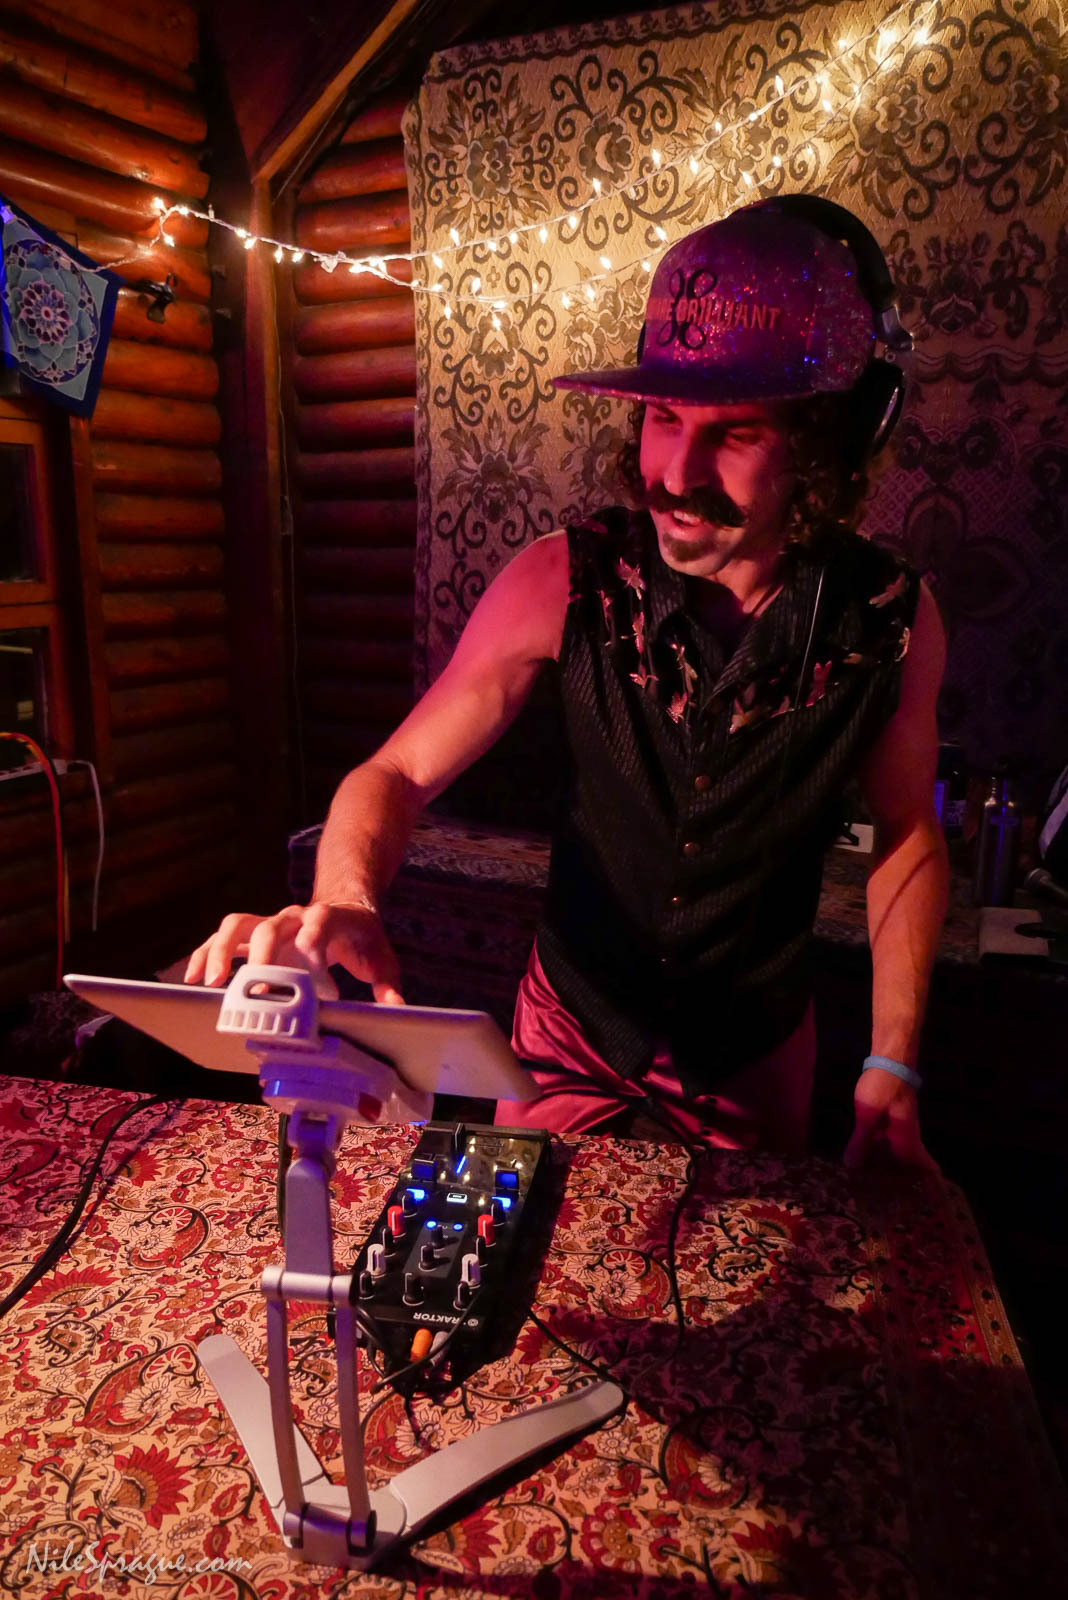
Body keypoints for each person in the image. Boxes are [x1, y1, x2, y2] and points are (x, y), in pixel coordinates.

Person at [186, 197, 948, 1169]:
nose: (676, 471)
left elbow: (909, 833)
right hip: (567, 1040)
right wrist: (349, 898)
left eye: (737, 433)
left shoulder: (891, 618)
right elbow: (396, 774)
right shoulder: (561, 578)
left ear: (828, 447)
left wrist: (894, 1059)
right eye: (663, 418)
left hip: (751, 1058)